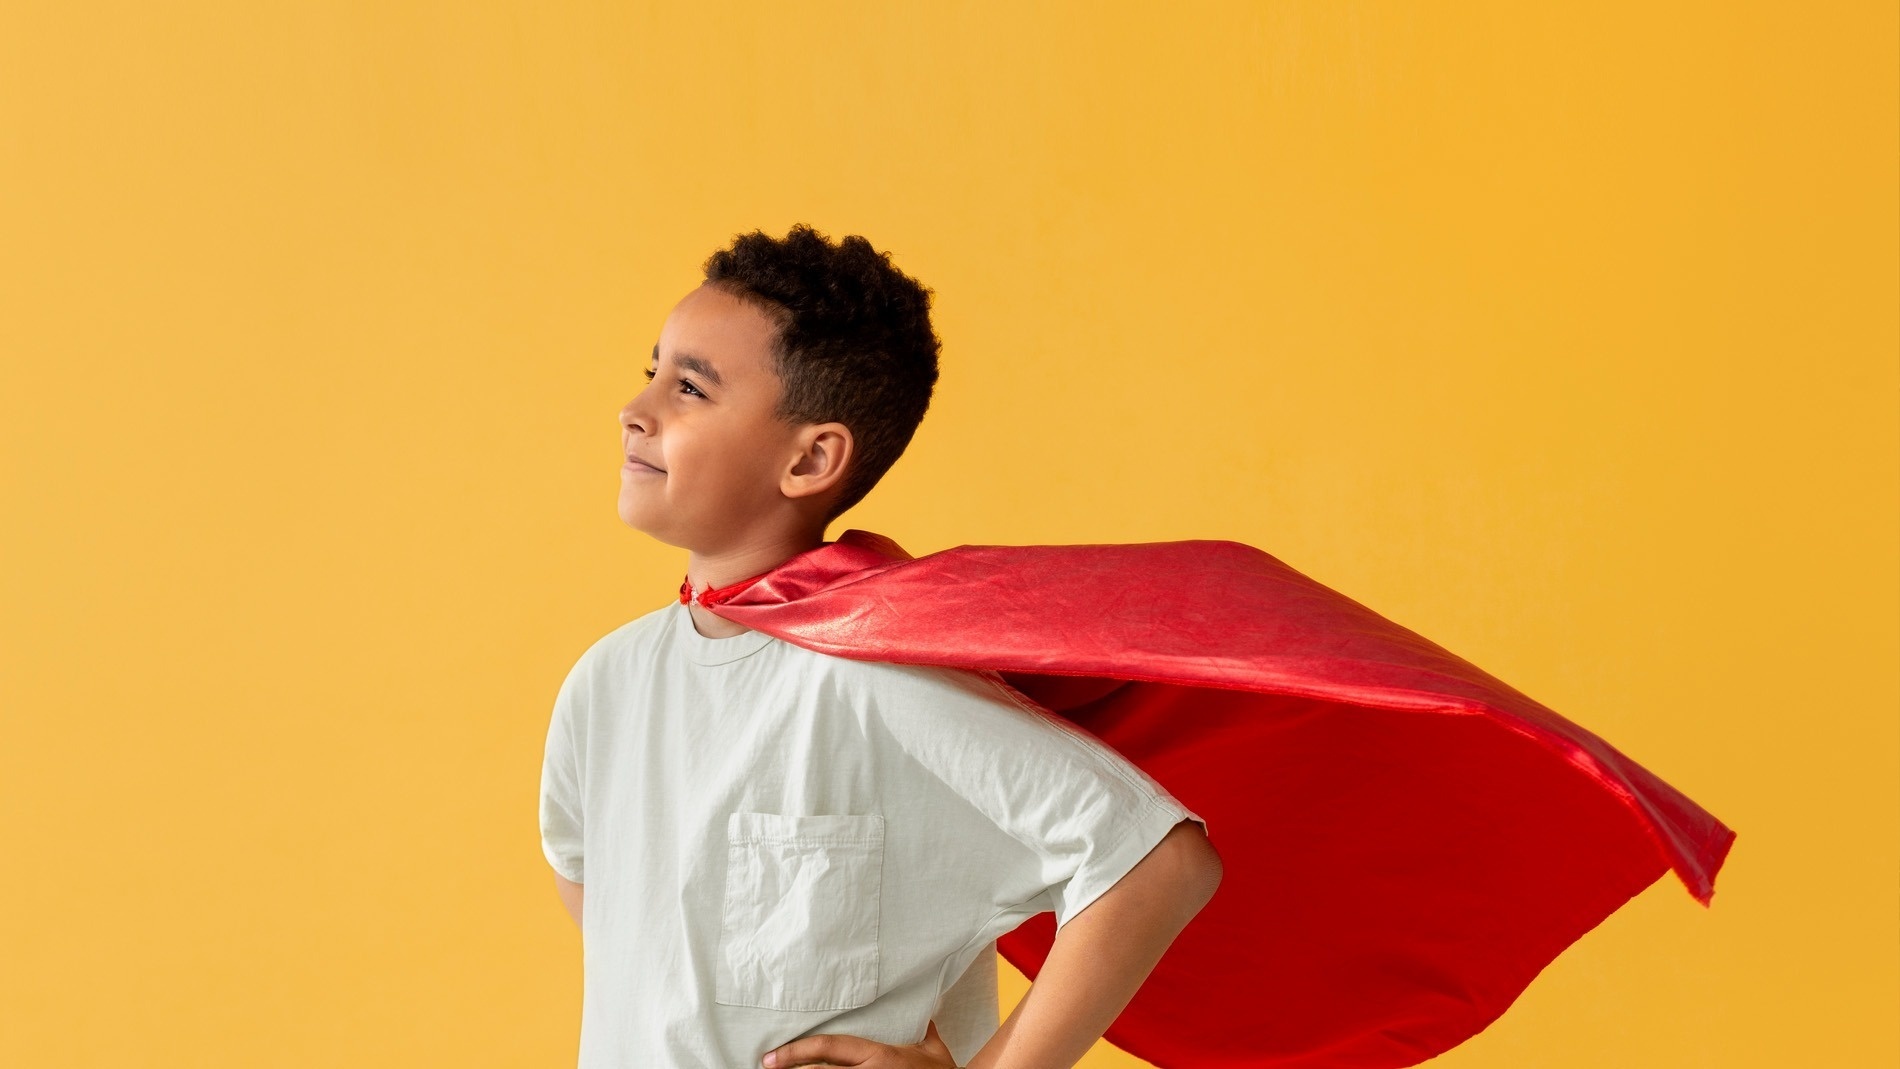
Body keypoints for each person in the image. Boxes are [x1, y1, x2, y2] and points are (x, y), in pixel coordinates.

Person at [538, 223, 1224, 1069]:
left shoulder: (879, 678)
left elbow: (1157, 861)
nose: (635, 411)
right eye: (651, 373)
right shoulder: (606, 683)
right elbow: (593, 881)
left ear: (812, 458)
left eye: (689, 388)